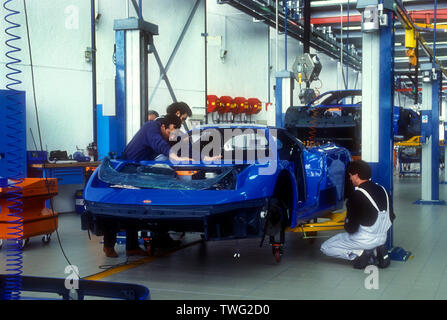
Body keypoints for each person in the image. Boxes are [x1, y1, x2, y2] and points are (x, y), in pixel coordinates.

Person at [103, 114, 189, 257]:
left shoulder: (166, 131)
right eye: (169, 132)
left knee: (134, 209)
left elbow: (179, 146)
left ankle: (132, 247)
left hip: (138, 171)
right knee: (118, 208)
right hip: (127, 169)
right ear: (163, 126)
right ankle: (108, 245)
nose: (169, 136)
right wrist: (174, 156)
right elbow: (159, 145)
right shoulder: (151, 127)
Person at [320, 160, 395, 269]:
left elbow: (351, 229)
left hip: (363, 239)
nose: (350, 179)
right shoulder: (383, 190)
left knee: (326, 247)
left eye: (350, 176)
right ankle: (377, 251)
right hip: (382, 237)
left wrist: (346, 222)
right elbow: (391, 217)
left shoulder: (356, 196)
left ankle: (361, 254)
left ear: (356, 175)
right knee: (366, 240)